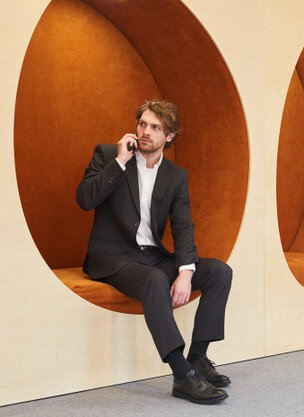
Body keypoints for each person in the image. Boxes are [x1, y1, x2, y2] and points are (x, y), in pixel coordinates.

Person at [76, 99, 232, 404]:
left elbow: (183, 227)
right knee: (154, 281)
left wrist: (186, 273)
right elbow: (84, 199)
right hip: (113, 258)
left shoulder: (176, 176)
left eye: (155, 127)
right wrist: (119, 163)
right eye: (142, 124)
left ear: (170, 136)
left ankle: (198, 357)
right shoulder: (109, 155)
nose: (145, 132)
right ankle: (182, 375)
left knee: (218, 273)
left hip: (152, 257)